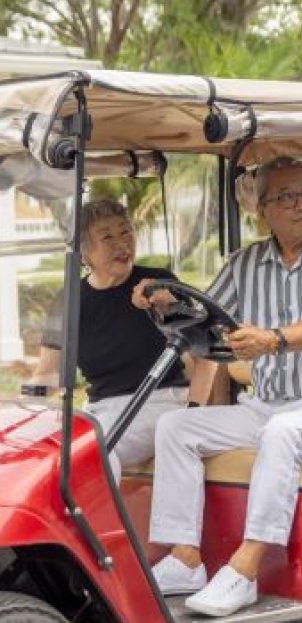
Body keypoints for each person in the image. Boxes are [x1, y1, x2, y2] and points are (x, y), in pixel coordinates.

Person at [133, 156, 302, 617]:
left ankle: (244, 569)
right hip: (267, 403)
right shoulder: (245, 263)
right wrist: (163, 300)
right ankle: (184, 557)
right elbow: (204, 314)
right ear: (261, 211)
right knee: (175, 428)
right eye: (288, 196)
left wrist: (272, 340)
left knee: (280, 434)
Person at [32, 198, 215, 482]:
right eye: (107, 237)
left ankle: (98, 527)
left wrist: (193, 414)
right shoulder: (70, 299)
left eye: (126, 231)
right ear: (84, 252)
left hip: (160, 404)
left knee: (92, 451)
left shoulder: (159, 285)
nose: (122, 243)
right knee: (43, 454)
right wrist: (27, 414)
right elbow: (47, 372)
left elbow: (205, 352)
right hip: (97, 412)